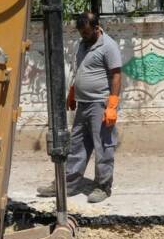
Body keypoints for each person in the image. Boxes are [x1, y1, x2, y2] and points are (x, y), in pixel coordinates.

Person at [38, 11, 122, 204]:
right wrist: (73, 92)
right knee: (77, 146)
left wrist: (112, 105)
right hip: (83, 104)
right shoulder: (83, 44)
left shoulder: (108, 46)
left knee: (103, 147)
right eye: (81, 33)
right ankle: (68, 184)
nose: (83, 36)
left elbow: (116, 75)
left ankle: (103, 186)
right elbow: (81, 69)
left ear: (96, 27)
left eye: (86, 32)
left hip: (100, 104)